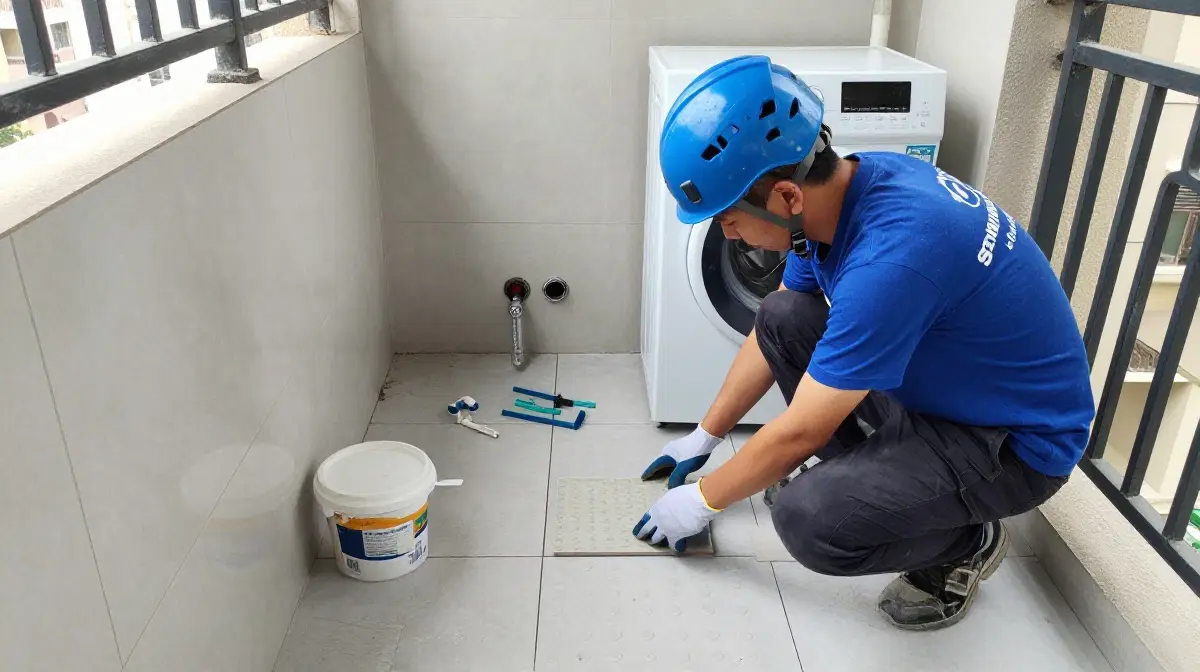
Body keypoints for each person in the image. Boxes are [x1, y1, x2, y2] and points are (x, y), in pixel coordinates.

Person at [631, 54, 1096, 631]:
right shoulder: (852, 187)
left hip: (1011, 445)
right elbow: (773, 323)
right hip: (947, 392)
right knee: (782, 312)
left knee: (812, 520)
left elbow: (802, 429)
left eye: (728, 218)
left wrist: (702, 501)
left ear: (787, 197)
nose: (727, 232)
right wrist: (705, 435)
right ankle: (886, 483)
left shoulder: (893, 256)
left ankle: (964, 542)